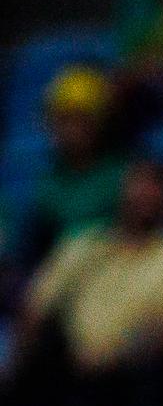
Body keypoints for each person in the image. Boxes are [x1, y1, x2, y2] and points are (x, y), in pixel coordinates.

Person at [2, 159, 163, 406]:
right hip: (66, 369)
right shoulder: (84, 244)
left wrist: (115, 358)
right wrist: (15, 366)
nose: (144, 198)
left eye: (155, 189)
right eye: (138, 187)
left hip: (131, 377)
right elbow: (36, 307)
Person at [7, 67, 127, 270]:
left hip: (107, 269)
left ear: (101, 122)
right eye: (63, 119)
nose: (71, 130)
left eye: (81, 120)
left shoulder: (121, 175)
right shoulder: (42, 177)